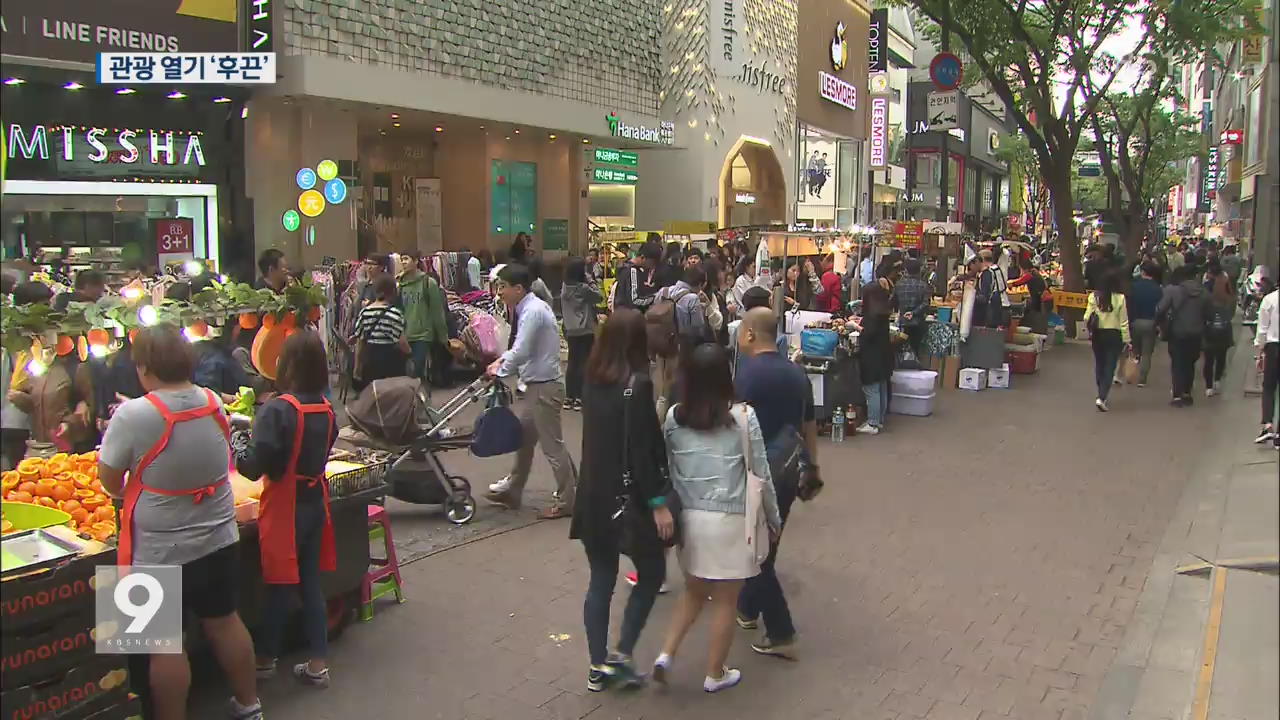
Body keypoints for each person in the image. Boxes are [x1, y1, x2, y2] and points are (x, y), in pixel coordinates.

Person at [97, 324, 262, 720]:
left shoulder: (135, 414)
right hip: (219, 535)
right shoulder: (210, 401)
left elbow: (108, 479)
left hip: (156, 547)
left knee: (163, 643)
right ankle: (249, 704)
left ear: (144, 368)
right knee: (224, 621)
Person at [652, 343, 781, 693]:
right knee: (726, 599)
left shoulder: (675, 417)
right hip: (731, 519)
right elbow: (761, 473)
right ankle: (715, 672)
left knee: (693, 593)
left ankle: (666, 653)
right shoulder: (742, 417)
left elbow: (665, 464)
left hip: (690, 520)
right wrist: (774, 517)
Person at [570, 309, 675, 691]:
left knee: (601, 579)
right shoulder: (638, 384)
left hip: (593, 494)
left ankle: (598, 665)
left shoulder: (591, 377)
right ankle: (622, 653)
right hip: (626, 498)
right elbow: (643, 452)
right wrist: (658, 503)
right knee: (651, 574)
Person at [231, 330, 338, 688]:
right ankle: (318, 662)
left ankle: (264, 659)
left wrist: (237, 438)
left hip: (285, 507)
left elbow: (252, 466)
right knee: (309, 584)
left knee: (278, 584)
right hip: (314, 503)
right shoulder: (325, 407)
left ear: (287, 365)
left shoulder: (279, 409)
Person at [733, 307, 819, 659]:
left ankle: (781, 629)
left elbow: (735, 424)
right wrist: (812, 466)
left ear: (751, 334)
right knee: (768, 538)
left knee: (756, 552)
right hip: (789, 469)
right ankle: (747, 608)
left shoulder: (747, 374)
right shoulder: (797, 373)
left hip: (757, 471)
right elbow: (809, 423)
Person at [484, 264, 579, 519]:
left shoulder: (533, 311)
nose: (499, 292)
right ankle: (513, 489)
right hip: (538, 384)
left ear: (518, 288)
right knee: (524, 441)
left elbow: (522, 349)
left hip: (544, 387)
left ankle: (568, 499)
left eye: (503, 287)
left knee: (552, 446)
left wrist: (499, 368)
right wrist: (501, 363)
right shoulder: (527, 308)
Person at [652, 265, 710, 417]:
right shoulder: (692, 299)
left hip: (661, 342)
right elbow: (698, 327)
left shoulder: (663, 291)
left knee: (662, 384)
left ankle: (659, 416)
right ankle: (674, 416)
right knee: (677, 382)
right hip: (681, 346)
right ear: (701, 283)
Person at [1157, 265, 1213, 407]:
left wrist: (1161, 324)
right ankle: (1187, 392)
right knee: (1190, 362)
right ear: (1195, 276)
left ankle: (1177, 395)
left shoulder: (1172, 291)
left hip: (1177, 332)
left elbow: (1160, 309)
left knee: (1177, 362)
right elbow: (1210, 315)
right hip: (1196, 333)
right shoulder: (1204, 293)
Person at [855, 261, 896, 434]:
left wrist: (856, 327)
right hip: (884, 353)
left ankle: (872, 422)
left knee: (871, 387)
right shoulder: (883, 311)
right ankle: (879, 420)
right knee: (881, 385)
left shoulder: (872, 315)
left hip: (872, 354)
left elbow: (867, 333)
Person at [398, 251, 449, 387]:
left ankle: (421, 401)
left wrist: (443, 337)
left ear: (415, 261)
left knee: (416, 370)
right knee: (406, 373)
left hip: (423, 334)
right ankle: (414, 401)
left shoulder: (428, 283)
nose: (403, 262)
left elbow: (437, 311)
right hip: (404, 334)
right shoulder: (400, 284)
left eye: (406, 258)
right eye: (401, 259)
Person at [350, 275, 409, 391]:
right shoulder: (395, 314)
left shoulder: (365, 312)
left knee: (373, 394)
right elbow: (402, 343)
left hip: (370, 361)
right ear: (393, 292)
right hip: (390, 363)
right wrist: (410, 354)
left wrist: (357, 368)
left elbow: (360, 343)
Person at [1084, 271, 1131, 411]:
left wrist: (1089, 328)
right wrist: (1127, 339)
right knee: (1110, 365)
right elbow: (1124, 321)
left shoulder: (1094, 297)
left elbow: (1087, 316)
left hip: (1098, 334)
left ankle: (1100, 388)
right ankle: (1102, 396)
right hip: (1114, 334)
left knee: (1100, 362)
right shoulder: (1120, 298)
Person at [561, 258, 603, 410]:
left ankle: (569, 397)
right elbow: (599, 297)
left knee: (573, 362)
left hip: (570, 328)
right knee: (584, 362)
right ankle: (580, 397)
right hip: (585, 328)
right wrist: (591, 280)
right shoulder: (583, 288)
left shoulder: (565, 287)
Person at [1128, 263, 1164, 387]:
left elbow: (1129, 305)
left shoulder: (1134, 286)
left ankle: (1130, 375)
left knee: (1133, 351)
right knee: (1147, 353)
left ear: (1142, 272)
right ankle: (1142, 380)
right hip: (1151, 323)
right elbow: (1161, 308)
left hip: (1135, 321)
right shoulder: (1158, 289)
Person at [1202, 274, 1236, 397]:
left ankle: (1209, 386)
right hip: (1224, 332)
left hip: (1209, 333)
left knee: (1209, 360)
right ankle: (1217, 380)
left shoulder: (1207, 300)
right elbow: (1230, 314)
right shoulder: (1227, 301)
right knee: (1221, 358)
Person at [1254, 282, 1279, 447]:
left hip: (1273, 347)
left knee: (1269, 387)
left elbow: (1262, 329)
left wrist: (1259, 353)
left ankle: (1268, 426)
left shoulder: (1269, 300)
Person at [893, 259, 930, 358]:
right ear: (919, 270)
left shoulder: (899, 284)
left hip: (903, 322)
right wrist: (914, 313)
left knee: (901, 348)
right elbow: (926, 304)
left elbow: (893, 302)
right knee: (916, 349)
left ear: (906, 270)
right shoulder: (923, 286)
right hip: (918, 323)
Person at [612, 241, 661, 312]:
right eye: (652, 263)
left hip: (621, 314)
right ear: (643, 257)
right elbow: (635, 300)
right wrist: (656, 297)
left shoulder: (624, 267)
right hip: (629, 316)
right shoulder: (633, 271)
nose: (652, 267)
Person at [1007, 256, 1049, 334]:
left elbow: (1019, 282)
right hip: (1039, 297)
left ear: (1024, 268)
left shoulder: (1030, 274)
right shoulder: (1034, 272)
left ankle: (1032, 331)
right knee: (1032, 313)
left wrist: (1010, 284)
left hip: (1038, 298)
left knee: (1031, 314)